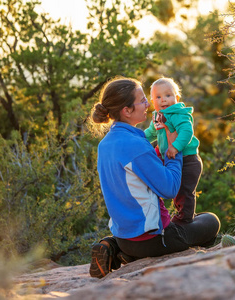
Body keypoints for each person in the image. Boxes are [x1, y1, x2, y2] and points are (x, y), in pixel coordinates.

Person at [89, 76, 220, 278]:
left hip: (124, 236)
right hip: (154, 240)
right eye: (142, 100)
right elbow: (170, 188)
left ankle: (114, 247)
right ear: (127, 110)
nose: (148, 104)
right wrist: (172, 149)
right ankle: (130, 251)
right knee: (210, 221)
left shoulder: (105, 144)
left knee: (193, 220)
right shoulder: (136, 146)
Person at [144, 77, 201, 224]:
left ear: (177, 97)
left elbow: (186, 132)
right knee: (175, 192)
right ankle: (182, 216)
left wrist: (175, 147)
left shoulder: (179, 114)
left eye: (168, 95)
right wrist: (138, 139)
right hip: (171, 160)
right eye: (158, 97)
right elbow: (151, 133)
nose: (163, 100)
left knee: (184, 192)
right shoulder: (157, 116)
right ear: (152, 101)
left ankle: (185, 219)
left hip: (188, 160)